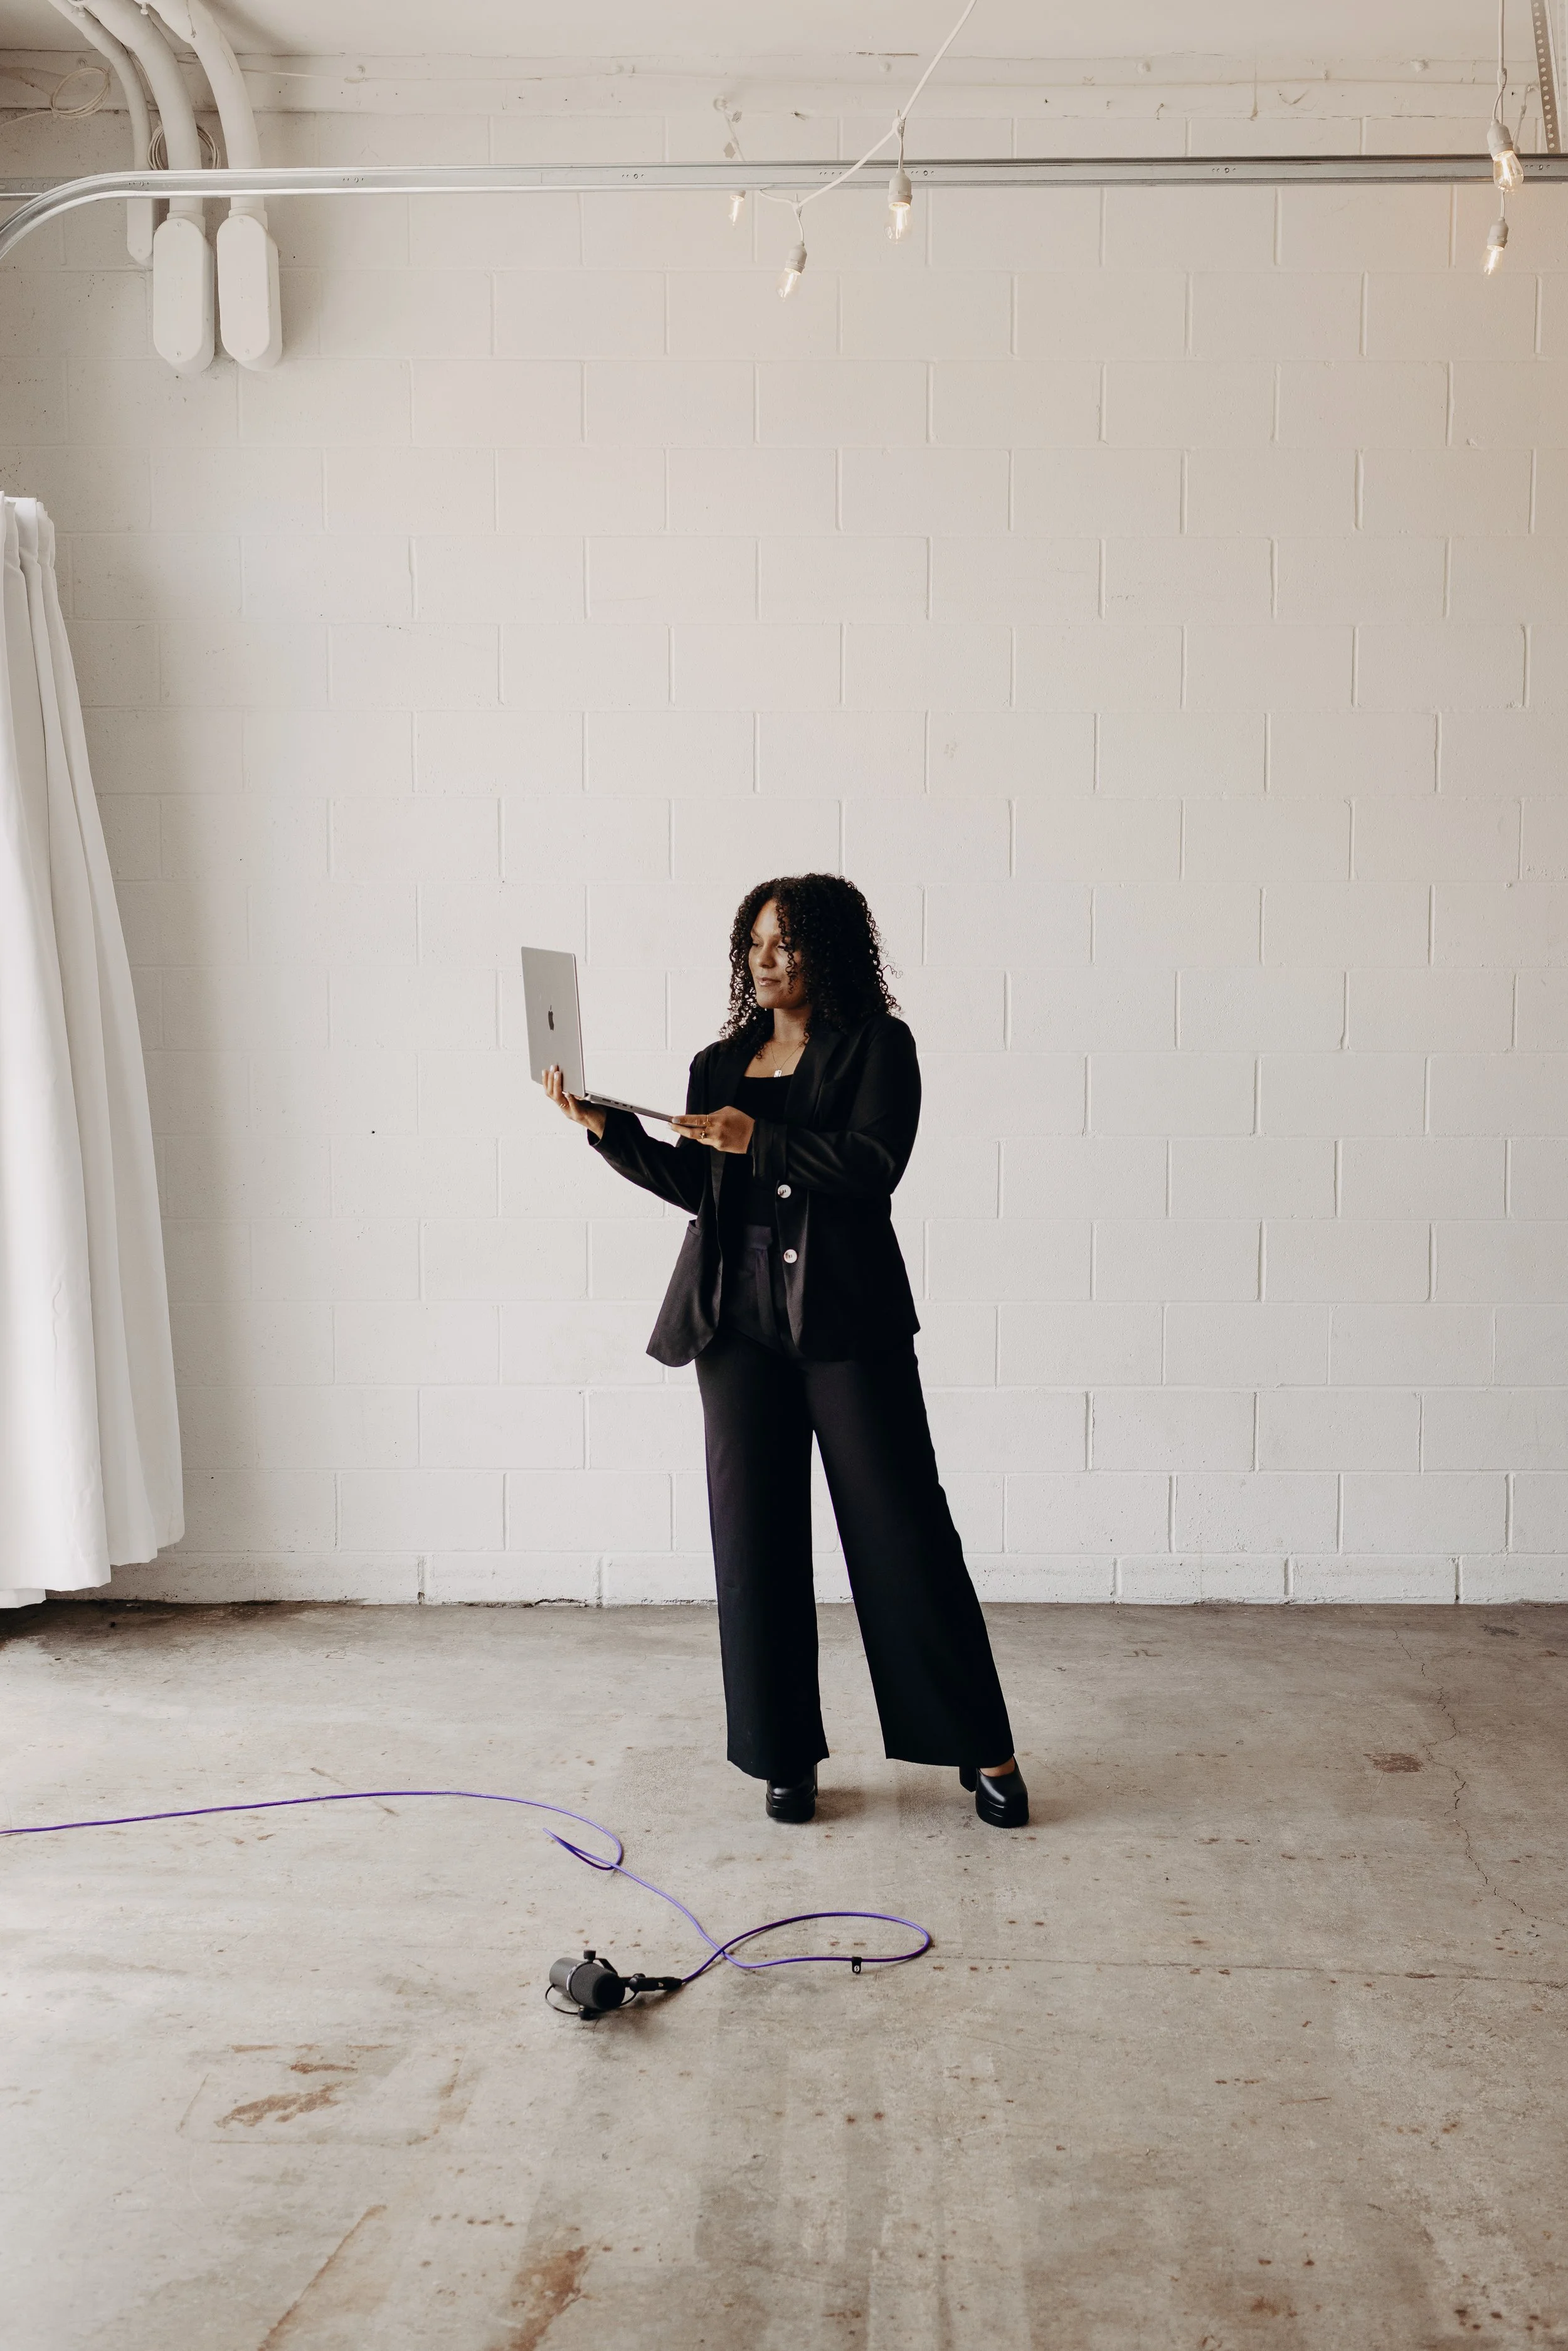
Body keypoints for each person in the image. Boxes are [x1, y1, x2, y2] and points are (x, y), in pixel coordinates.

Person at [544, 873, 1026, 1830]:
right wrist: (607, 1130)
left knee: (904, 1534)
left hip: (848, 1322)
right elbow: (703, 1189)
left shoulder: (878, 1048)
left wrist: (759, 1138)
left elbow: (874, 1165)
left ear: (830, 952)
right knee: (753, 1544)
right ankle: (783, 1757)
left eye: (787, 944)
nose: (766, 962)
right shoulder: (718, 1063)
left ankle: (985, 1748)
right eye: (756, 944)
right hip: (736, 1322)